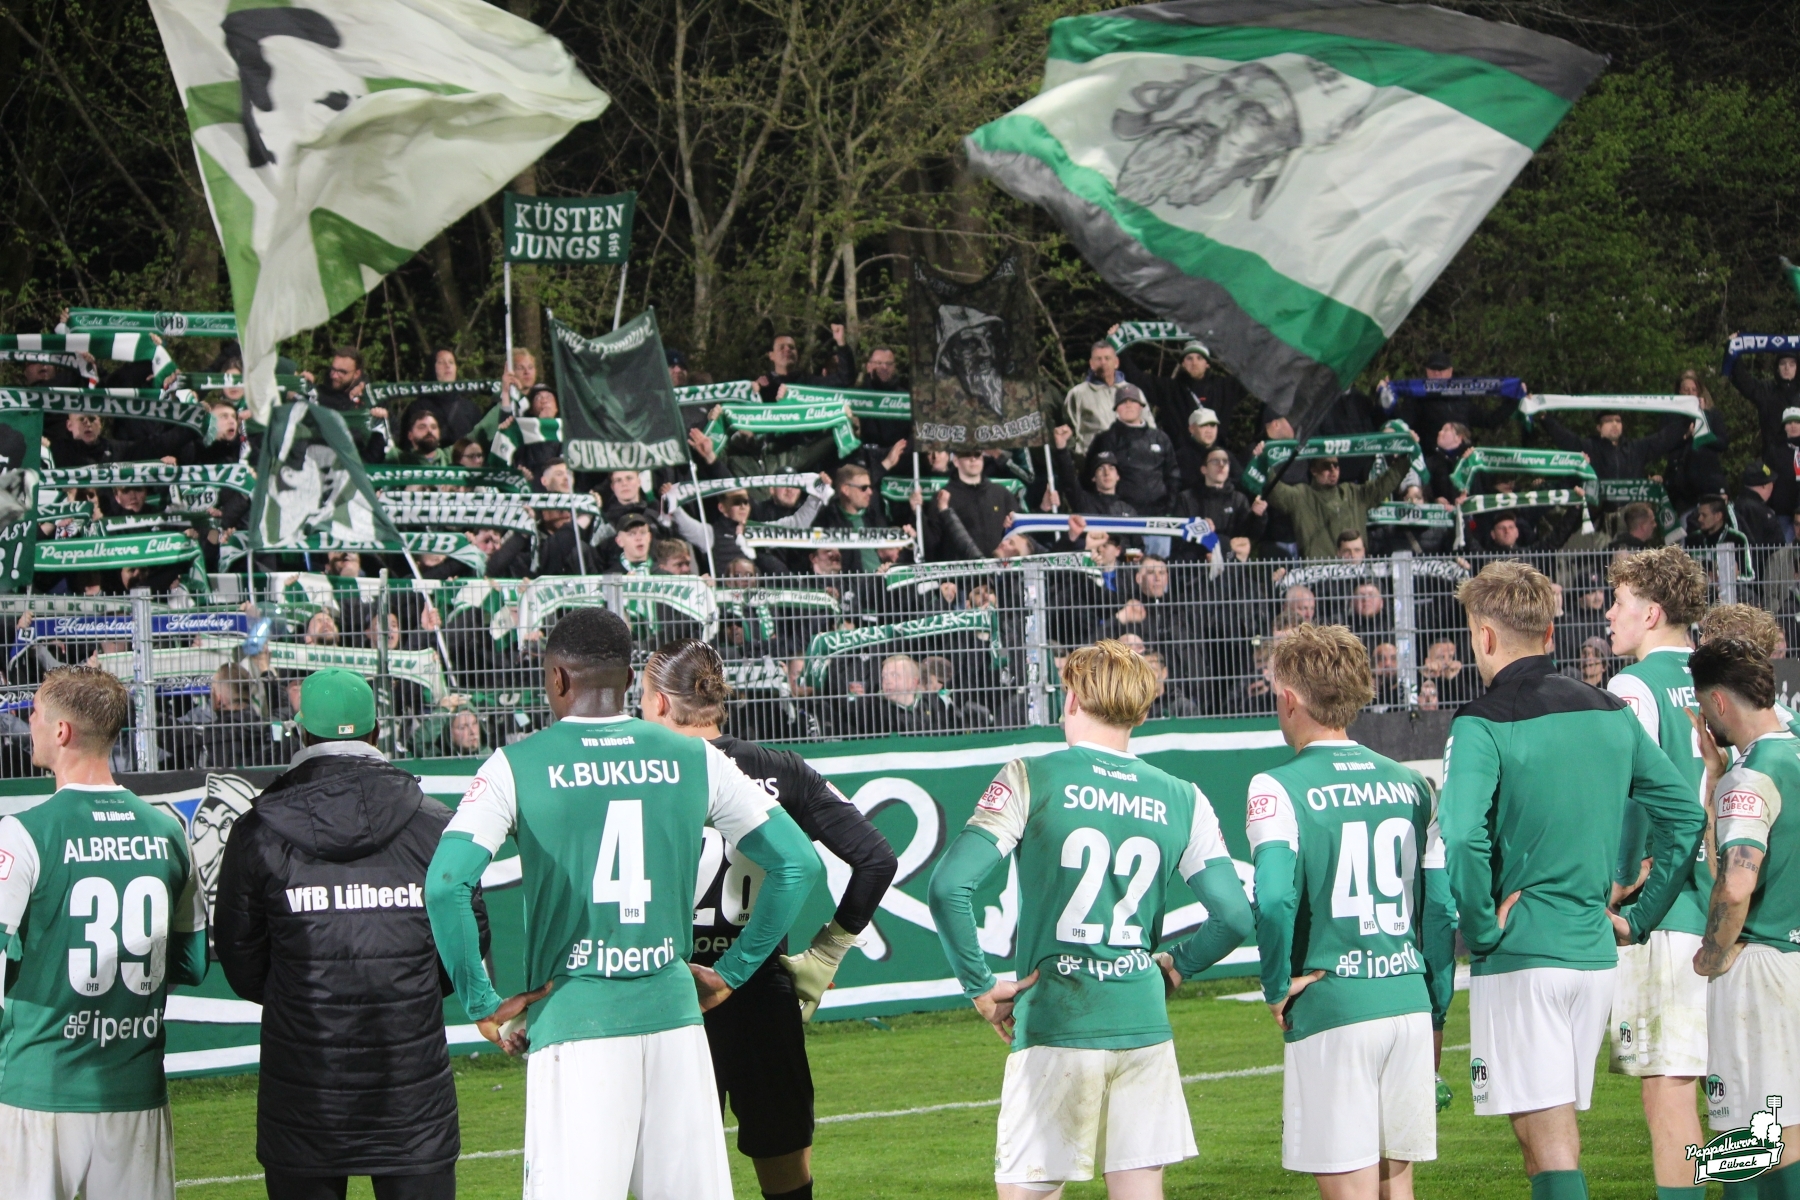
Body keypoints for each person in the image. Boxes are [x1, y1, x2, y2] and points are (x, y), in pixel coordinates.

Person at [424, 608, 823, 1200]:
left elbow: (446, 884)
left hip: (575, 1019)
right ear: (626, 674)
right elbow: (798, 864)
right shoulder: (697, 758)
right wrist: (733, 973)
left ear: (558, 678)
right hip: (676, 1019)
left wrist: (483, 1000)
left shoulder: (516, 765)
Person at [926, 639, 1254, 1199]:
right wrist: (1175, 967)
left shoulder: (1031, 775)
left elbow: (949, 885)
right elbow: (1234, 917)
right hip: (1142, 1019)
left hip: (1056, 1016)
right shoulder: (1185, 797)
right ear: (1144, 711)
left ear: (1071, 698)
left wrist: (981, 987)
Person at [1438, 562, 1704, 1200]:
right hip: (1593, 956)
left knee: (1544, 1140)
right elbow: (1686, 814)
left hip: (1525, 954)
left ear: (1484, 637)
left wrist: (1479, 928)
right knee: (1552, 1134)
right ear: (1553, 631)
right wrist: (1637, 919)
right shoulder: (1611, 710)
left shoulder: (1481, 721)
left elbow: (1461, 835)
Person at [212, 669, 484, 1200]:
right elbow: (464, 947)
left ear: (301, 734)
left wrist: (300, 995)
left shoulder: (256, 832)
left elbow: (242, 961)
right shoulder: (435, 826)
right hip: (411, 1088)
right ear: (377, 732)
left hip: (305, 1086)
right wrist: (404, 989)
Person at [640, 639, 896, 1200]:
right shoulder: (781, 771)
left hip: (668, 991)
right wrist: (827, 952)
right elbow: (876, 859)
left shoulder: (640, 776)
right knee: (785, 1172)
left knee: (670, 1172)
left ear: (660, 703)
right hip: (759, 992)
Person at [1246, 624, 1455, 1200]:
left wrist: (1274, 986)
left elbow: (1273, 897)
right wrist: (1434, 999)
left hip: (1334, 1001)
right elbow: (1438, 908)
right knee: (1398, 1188)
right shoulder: (1414, 786)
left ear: (1289, 697)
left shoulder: (1276, 785)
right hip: (1406, 1000)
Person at [0, 666, 207, 1200]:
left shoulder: (23, 833)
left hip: (39, 1087)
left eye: (36, 714)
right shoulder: (169, 832)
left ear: (62, 731)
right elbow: (192, 963)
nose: (30, 723)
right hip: (135, 1087)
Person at [1599, 547, 1716, 1198]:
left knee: (1667, 1093)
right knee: (1731, 1094)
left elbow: (1632, 799)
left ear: (1653, 612)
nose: (1609, 612)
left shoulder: (1632, 688)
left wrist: (1617, 883)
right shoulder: (1730, 676)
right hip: (1729, 906)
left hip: (1666, 914)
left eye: (1618, 601)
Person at [1685, 638, 1800, 1192]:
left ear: (1718, 704)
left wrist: (1711, 954)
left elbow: (1732, 886)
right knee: (1791, 1129)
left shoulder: (1750, 778)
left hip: (1764, 965)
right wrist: (1716, 772)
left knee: (1751, 1140)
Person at [1264, 432, 1418, 562]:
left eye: (1336, 465)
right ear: (1313, 470)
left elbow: (1384, 484)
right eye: (1326, 465)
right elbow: (1275, 491)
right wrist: (1262, 462)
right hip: (1321, 578)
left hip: (1357, 572)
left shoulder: (1354, 493)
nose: (1333, 470)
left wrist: (1405, 458)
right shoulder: (1301, 495)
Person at [1084, 384, 1180, 516]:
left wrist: (1170, 509)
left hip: (1158, 516)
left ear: (1141, 406)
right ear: (1116, 408)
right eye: (1123, 402)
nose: (1128, 405)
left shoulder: (1160, 438)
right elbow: (1089, 477)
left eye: (1133, 401)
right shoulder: (1105, 439)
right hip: (1120, 517)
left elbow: (1173, 476)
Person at [1543, 410, 1689, 481]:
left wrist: (1689, 419)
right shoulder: (1588, 446)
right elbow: (1563, 437)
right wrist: (1545, 418)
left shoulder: (1635, 449)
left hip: (1630, 518)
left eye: (1618, 421)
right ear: (1598, 428)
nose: (1614, 424)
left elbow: (1662, 439)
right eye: (1608, 421)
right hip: (1597, 518)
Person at [1729, 346, 1800, 458]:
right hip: (1774, 460)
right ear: (1777, 367)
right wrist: (1734, 350)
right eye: (1783, 363)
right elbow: (1743, 381)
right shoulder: (1767, 390)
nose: (1787, 368)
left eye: (1792, 364)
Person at [1059, 341, 1124, 457]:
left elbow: (1147, 429)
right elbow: (1065, 429)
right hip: (1093, 462)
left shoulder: (1131, 392)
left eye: (1107, 358)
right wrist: (1078, 456)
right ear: (1091, 363)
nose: (1103, 362)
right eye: (1098, 359)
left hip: (1128, 461)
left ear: (1116, 362)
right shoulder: (1077, 394)